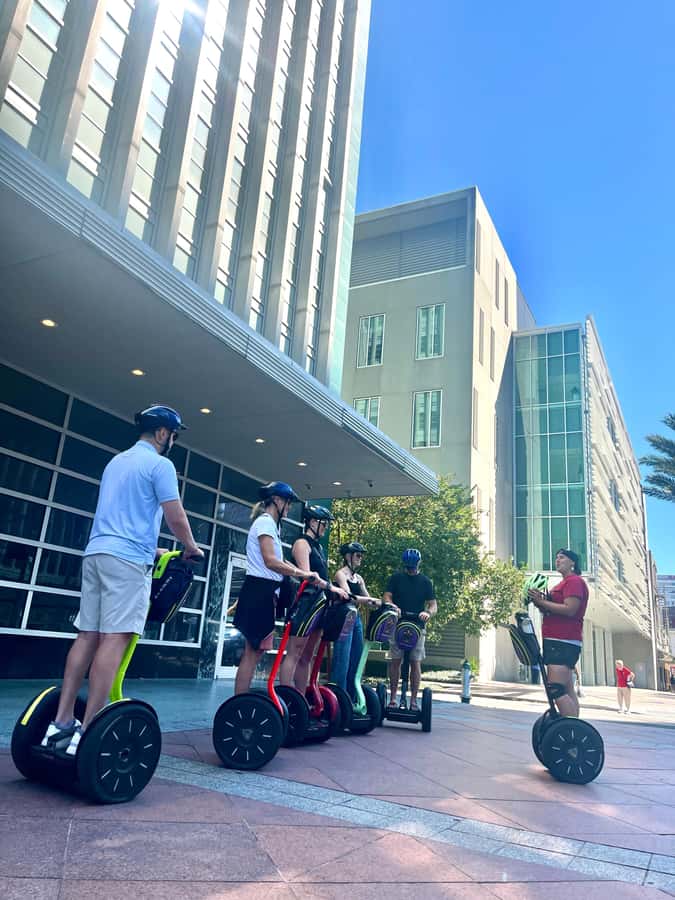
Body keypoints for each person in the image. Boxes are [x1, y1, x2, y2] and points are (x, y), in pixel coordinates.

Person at [42, 405, 204, 756]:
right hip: (127, 561)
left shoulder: (116, 462)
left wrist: (155, 548)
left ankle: (62, 720)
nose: (173, 441)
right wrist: (190, 547)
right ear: (162, 433)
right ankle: (88, 731)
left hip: (97, 553)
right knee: (115, 638)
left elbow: (123, 516)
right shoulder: (161, 465)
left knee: (88, 634)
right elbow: (175, 515)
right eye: (173, 435)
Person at [233, 482, 319, 695]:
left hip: (267, 592)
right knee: (252, 652)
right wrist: (301, 573)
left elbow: (280, 562)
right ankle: (238, 704)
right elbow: (271, 561)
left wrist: (302, 574)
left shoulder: (273, 526)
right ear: (277, 500)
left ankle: (241, 703)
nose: (289, 508)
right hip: (258, 591)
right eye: (288, 503)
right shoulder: (264, 523)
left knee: (257, 652)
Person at [279, 506, 349, 691]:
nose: (325, 527)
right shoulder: (302, 543)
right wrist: (332, 587)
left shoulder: (318, 547)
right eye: (323, 523)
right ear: (311, 522)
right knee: (295, 652)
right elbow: (307, 576)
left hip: (319, 604)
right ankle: (287, 697)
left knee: (308, 655)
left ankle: (301, 699)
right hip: (304, 603)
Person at [528, 548, 589, 718]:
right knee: (568, 688)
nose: (557, 560)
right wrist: (540, 602)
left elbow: (570, 609)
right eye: (556, 558)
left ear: (572, 563)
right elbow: (553, 610)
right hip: (560, 640)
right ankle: (573, 726)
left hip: (563, 640)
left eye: (562, 557)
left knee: (555, 688)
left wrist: (542, 602)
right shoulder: (562, 584)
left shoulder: (574, 581)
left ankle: (571, 729)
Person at [383, 548, 437, 711]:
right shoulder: (396, 578)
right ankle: (392, 698)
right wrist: (393, 607)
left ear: (419, 564)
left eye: (413, 567)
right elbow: (386, 596)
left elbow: (433, 604)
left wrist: (427, 613)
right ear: (405, 565)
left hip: (417, 626)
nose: (411, 570)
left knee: (415, 661)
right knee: (395, 661)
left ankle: (413, 701)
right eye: (408, 567)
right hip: (398, 623)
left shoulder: (426, 582)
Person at [331, 541, 381, 699]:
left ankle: (351, 699)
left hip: (356, 619)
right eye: (358, 555)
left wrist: (382, 604)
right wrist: (370, 600)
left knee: (356, 660)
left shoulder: (358, 578)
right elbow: (348, 596)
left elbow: (368, 598)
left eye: (361, 556)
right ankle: (339, 698)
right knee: (343, 661)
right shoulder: (341, 574)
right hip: (344, 617)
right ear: (348, 556)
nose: (361, 558)